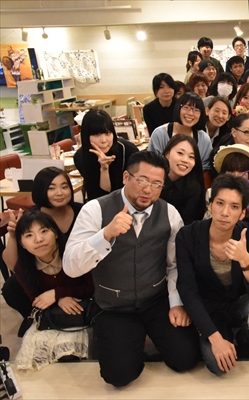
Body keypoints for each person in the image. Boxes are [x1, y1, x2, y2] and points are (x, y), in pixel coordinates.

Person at [63, 151, 200, 387]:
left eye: (157, 184)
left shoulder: (169, 213)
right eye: (142, 180)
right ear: (126, 177)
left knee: (185, 359)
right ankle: (129, 343)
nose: (148, 190)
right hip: (114, 305)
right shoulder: (95, 209)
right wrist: (105, 234)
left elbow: (175, 264)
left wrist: (176, 303)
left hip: (155, 300)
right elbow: (71, 267)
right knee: (119, 377)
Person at [176, 174, 249, 375]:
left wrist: (245, 261)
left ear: (242, 213)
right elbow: (187, 290)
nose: (225, 213)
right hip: (208, 308)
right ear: (210, 205)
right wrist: (215, 338)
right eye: (220, 203)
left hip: (239, 303)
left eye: (234, 207)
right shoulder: (188, 235)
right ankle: (221, 338)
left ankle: (245, 342)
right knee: (218, 367)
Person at [2, 167, 84, 333]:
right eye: (51, 188)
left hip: (77, 272)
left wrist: (58, 293)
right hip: (44, 274)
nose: (59, 193)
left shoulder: (83, 211)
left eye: (64, 186)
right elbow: (13, 265)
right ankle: (38, 316)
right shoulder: (31, 218)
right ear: (40, 190)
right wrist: (14, 237)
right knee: (12, 287)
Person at [12, 210, 95, 370]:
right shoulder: (23, 267)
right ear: (22, 243)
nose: (39, 239)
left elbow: (91, 288)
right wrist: (59, 298)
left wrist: (58, 293)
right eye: (29, 235)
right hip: (51, 316)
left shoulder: (75, 253)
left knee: (69, 354)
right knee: (35, 360)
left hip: (81, 311)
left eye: (44, 231)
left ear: (55, 233)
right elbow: (37, 300)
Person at [74, 109, 139, 201]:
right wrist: (104, 169)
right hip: (100, 203)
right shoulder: (80, 157)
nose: (104, 140)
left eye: (108, 133)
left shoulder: (129, 150)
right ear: (86, 136)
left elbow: (136, 188)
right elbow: (102, 196)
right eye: (96, 135)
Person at [148, 92, 213, 171]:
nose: (190, 113)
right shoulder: (160, 134)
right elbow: (152, 163)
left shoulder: (203, 139)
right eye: (186, 107)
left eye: (196, 110)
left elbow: (205, 168)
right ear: (178, 108)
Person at [160, 134, 205, 225]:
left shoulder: (193, 187)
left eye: (191, 157)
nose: (185, 160)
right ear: (167, 154)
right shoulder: (153, 178)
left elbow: (186, 222)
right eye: (180, 153)